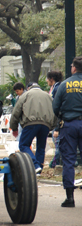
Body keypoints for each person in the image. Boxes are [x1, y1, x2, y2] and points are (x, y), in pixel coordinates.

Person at [52, 56, 82, 207]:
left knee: (69, 161)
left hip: (69, 125)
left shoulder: (64, 85)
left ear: (74, 68)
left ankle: (70, 198)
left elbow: (55, 108)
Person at [10, 82, 56, 175]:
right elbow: (55, 111)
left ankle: (35, 166)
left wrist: (14, 127)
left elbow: (16, 112)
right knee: (41, 147)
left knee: (24, 145)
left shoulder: (25, 95)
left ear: (28, 88)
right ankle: (39, 169)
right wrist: (52, 126)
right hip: (45, 124)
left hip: (30, 123)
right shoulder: (48, 96)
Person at [46, 71, 63, 168]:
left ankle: (55, 163)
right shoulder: (56, 87)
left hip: (57, 120)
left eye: (47, 79)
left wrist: (56, 127)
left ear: (51, 79)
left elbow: (57, 107)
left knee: (57, 143)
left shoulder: (56, 89)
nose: (47, 81)